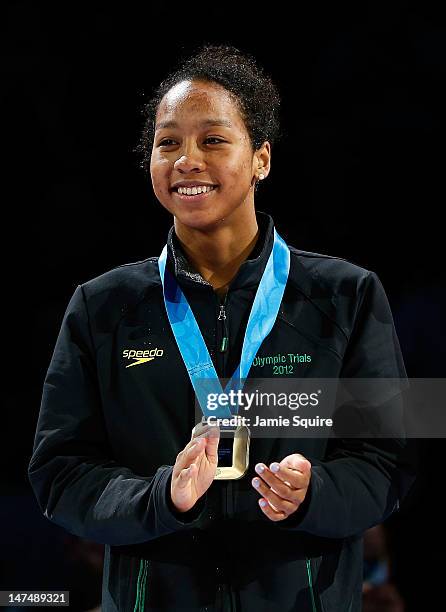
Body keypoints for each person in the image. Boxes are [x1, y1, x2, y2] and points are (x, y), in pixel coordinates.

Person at [28, 44, 417, 612]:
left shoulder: (346, 295)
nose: (187, 159)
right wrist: (159, 496)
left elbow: (388, 461)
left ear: (261, 158)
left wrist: (316, 495)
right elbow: (59, 474)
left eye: (212, 140)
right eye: (168, 143)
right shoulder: (101, 307)